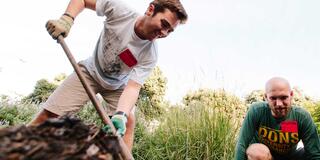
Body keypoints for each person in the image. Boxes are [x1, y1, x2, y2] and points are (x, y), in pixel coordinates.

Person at [28, 0, 188, 151]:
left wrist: (121, 115)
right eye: (164, 24)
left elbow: (133, 87)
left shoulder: (150, 54)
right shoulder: (120, 11)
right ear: (151, 9)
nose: (164, 32)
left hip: (117, 86)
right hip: (90, 72)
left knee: (128, 122)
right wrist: (67, 19)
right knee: (49, 116)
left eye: (169, 31)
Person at [235, 77, 320, 160]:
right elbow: (242, 144)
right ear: (266, 97)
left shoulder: (302, 117)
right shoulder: (256, 111)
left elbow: (314, 153)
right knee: (256, 152)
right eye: (273, 98)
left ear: (291, 95)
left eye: (284, 97)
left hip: (292, 157)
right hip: (266, 156)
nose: (279, 104)